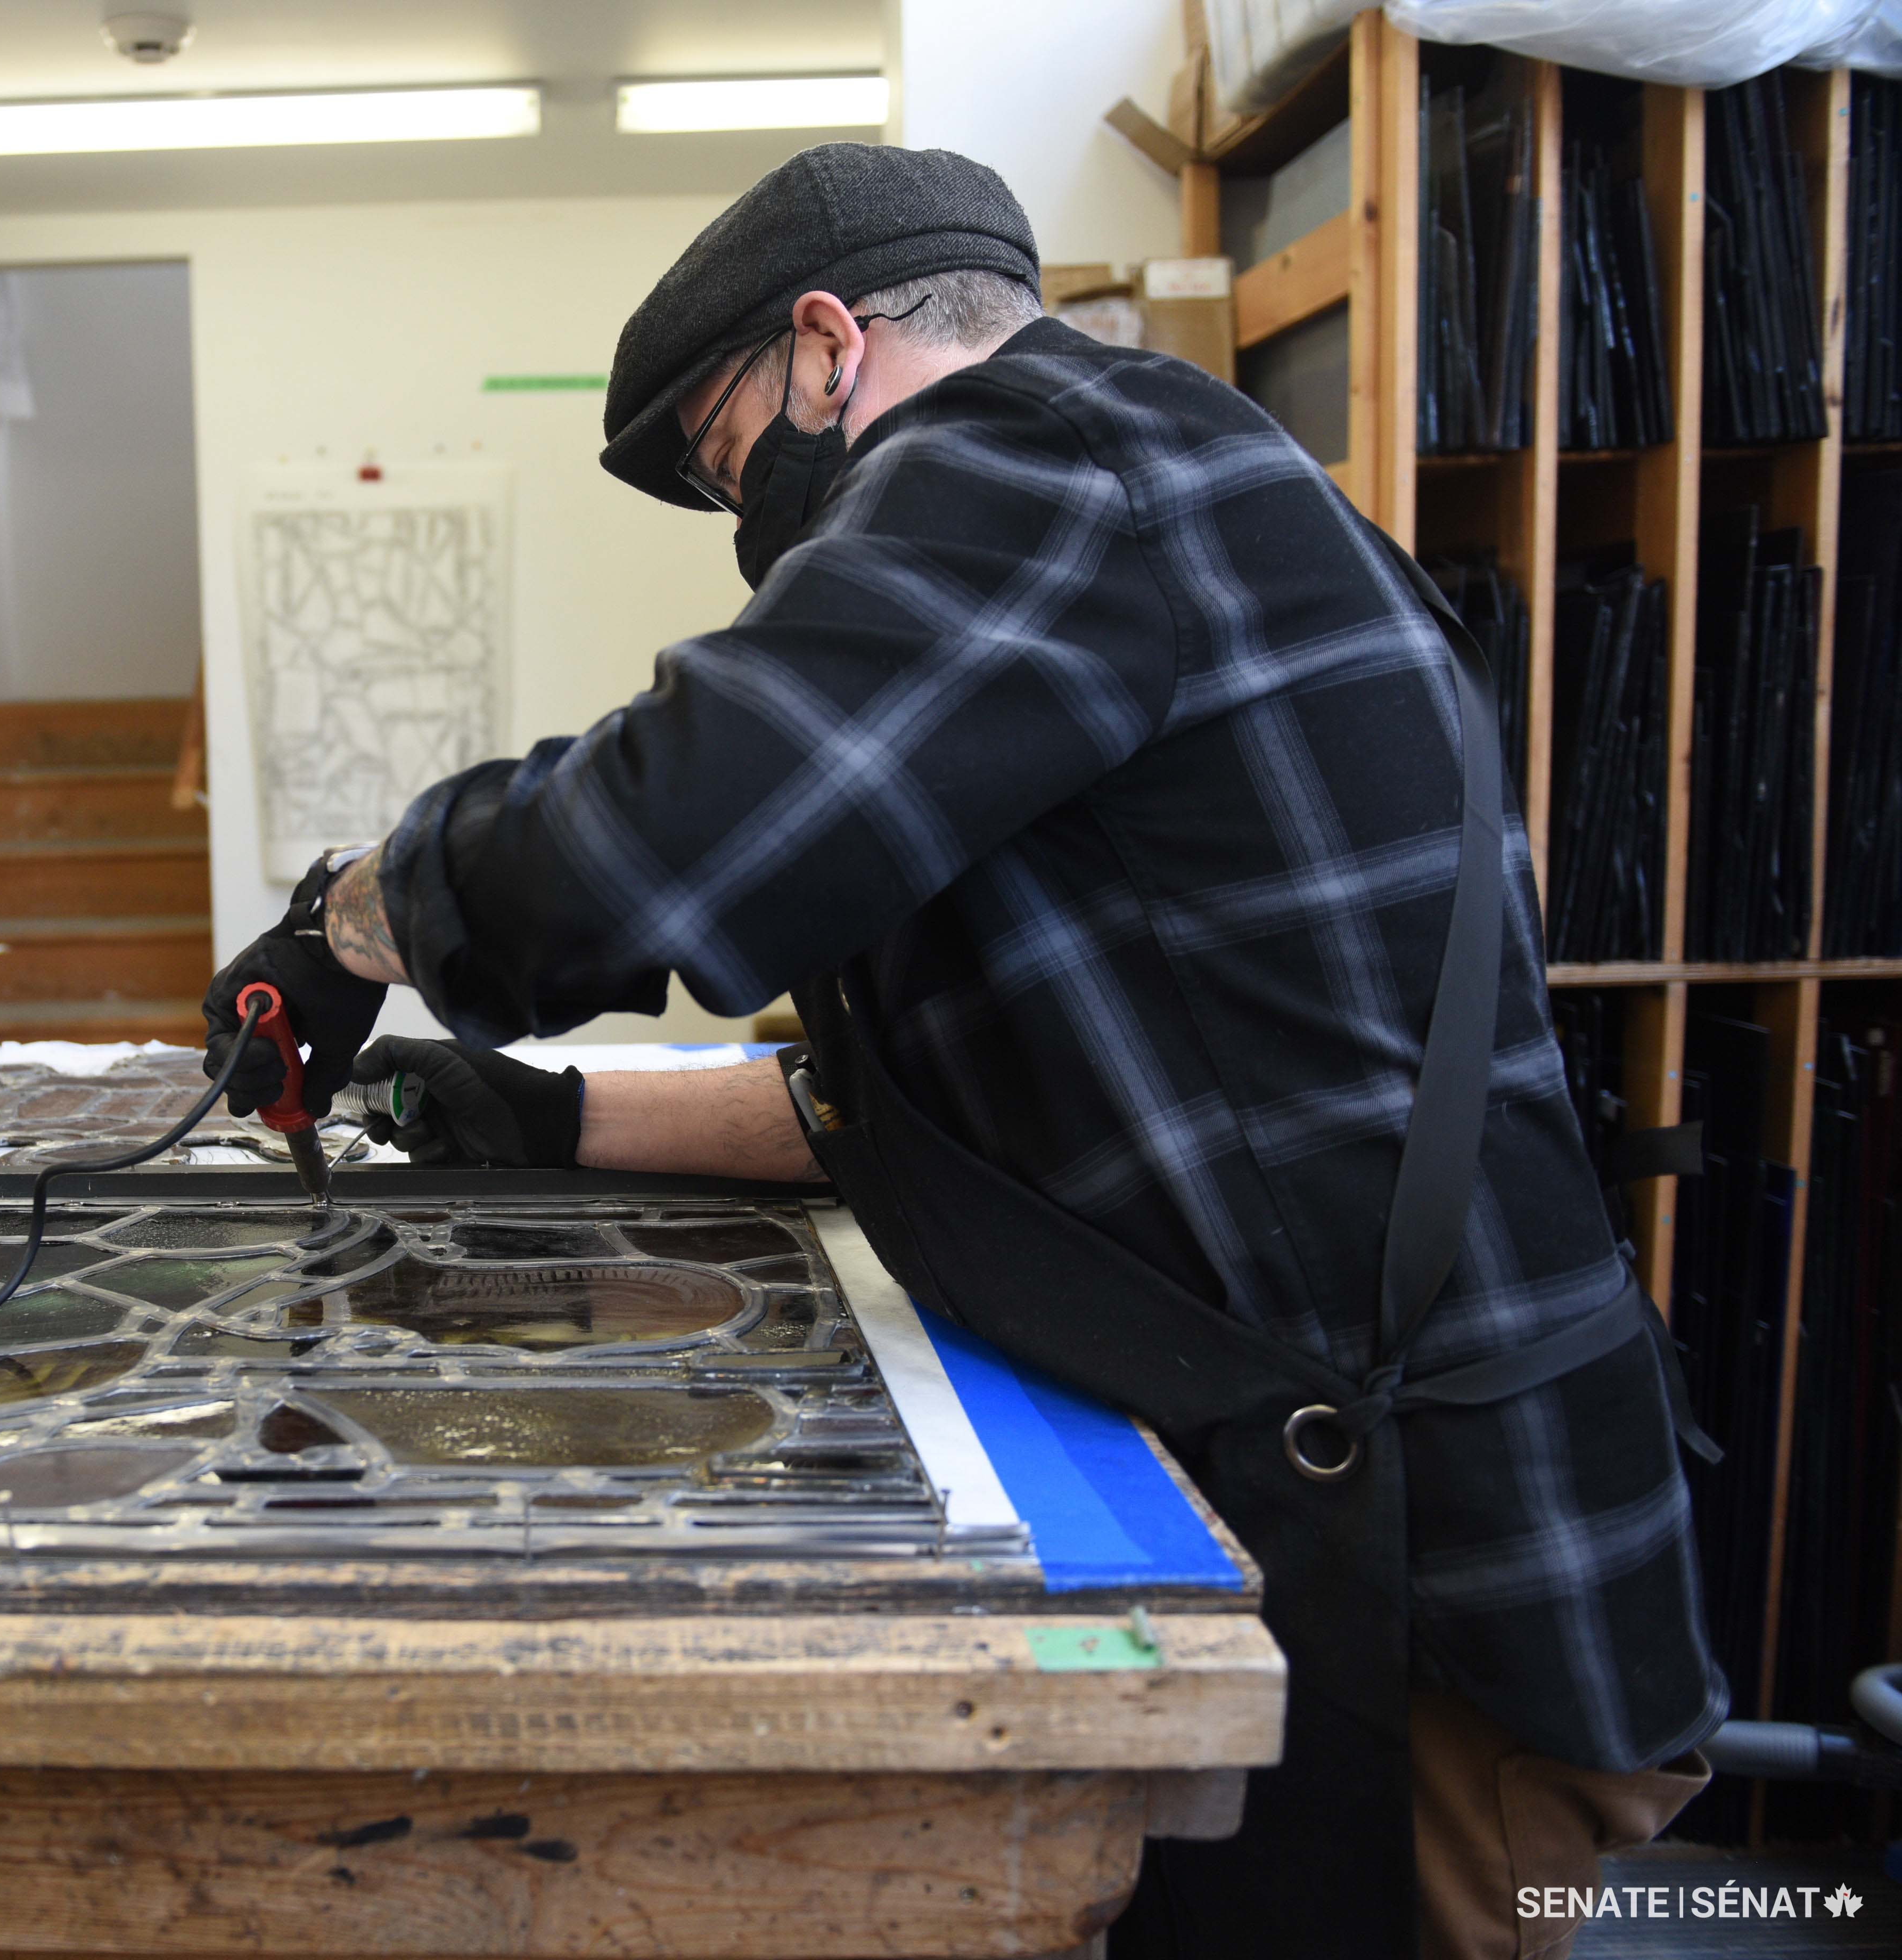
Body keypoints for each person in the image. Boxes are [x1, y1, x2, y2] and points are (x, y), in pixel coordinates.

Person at [200, 143, 1721, 1958]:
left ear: (832, 347)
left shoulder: (1051, 458)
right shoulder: (1155, 492)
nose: (744, 508)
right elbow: (915, 1107)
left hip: (1436, 1595)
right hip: (1343, 1493)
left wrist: (353, 915)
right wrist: (545, 1112)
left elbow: (671, 825)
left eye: (724, 450)